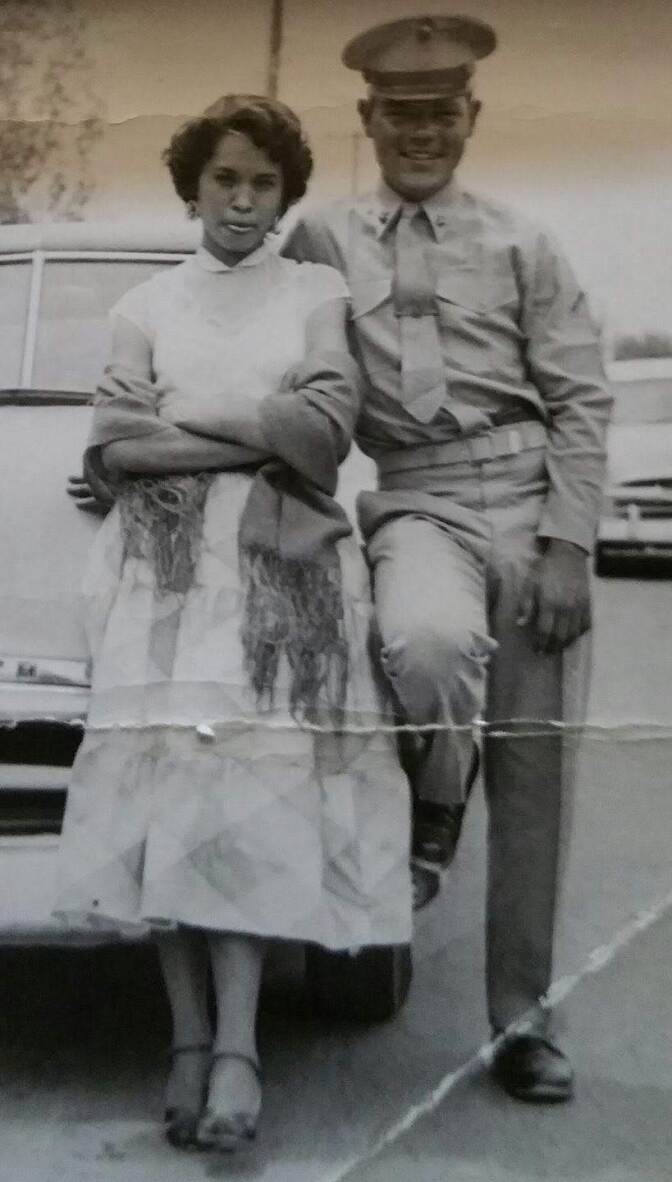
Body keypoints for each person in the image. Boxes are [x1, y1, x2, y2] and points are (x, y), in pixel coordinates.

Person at [55, 94, 411, 1154]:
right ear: (193, 186)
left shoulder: (315, 292)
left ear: (285, 191)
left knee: (247, 795)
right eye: (224, 180)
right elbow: (116, 448)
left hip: (271, 571)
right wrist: (252, 438)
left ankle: (242, 1049)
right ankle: (186, 1038)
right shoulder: (146, 303)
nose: (243, 201)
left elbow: (324, 428)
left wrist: (195, 423)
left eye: (263, 183)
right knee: (169, 787)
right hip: (160, 575)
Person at [283, 13, 613, 1102]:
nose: (422, 133)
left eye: (442, 114)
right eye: (401, 116)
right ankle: (433, 814)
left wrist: (567, 547)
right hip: (416, 497)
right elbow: (270, 348)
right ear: (367, 121)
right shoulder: (323, 241)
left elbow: (579, 399)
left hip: (527, 502)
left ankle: (523, 1025)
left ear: (472, 117)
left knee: (535, 774)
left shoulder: (524, 242)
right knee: (423, 645)